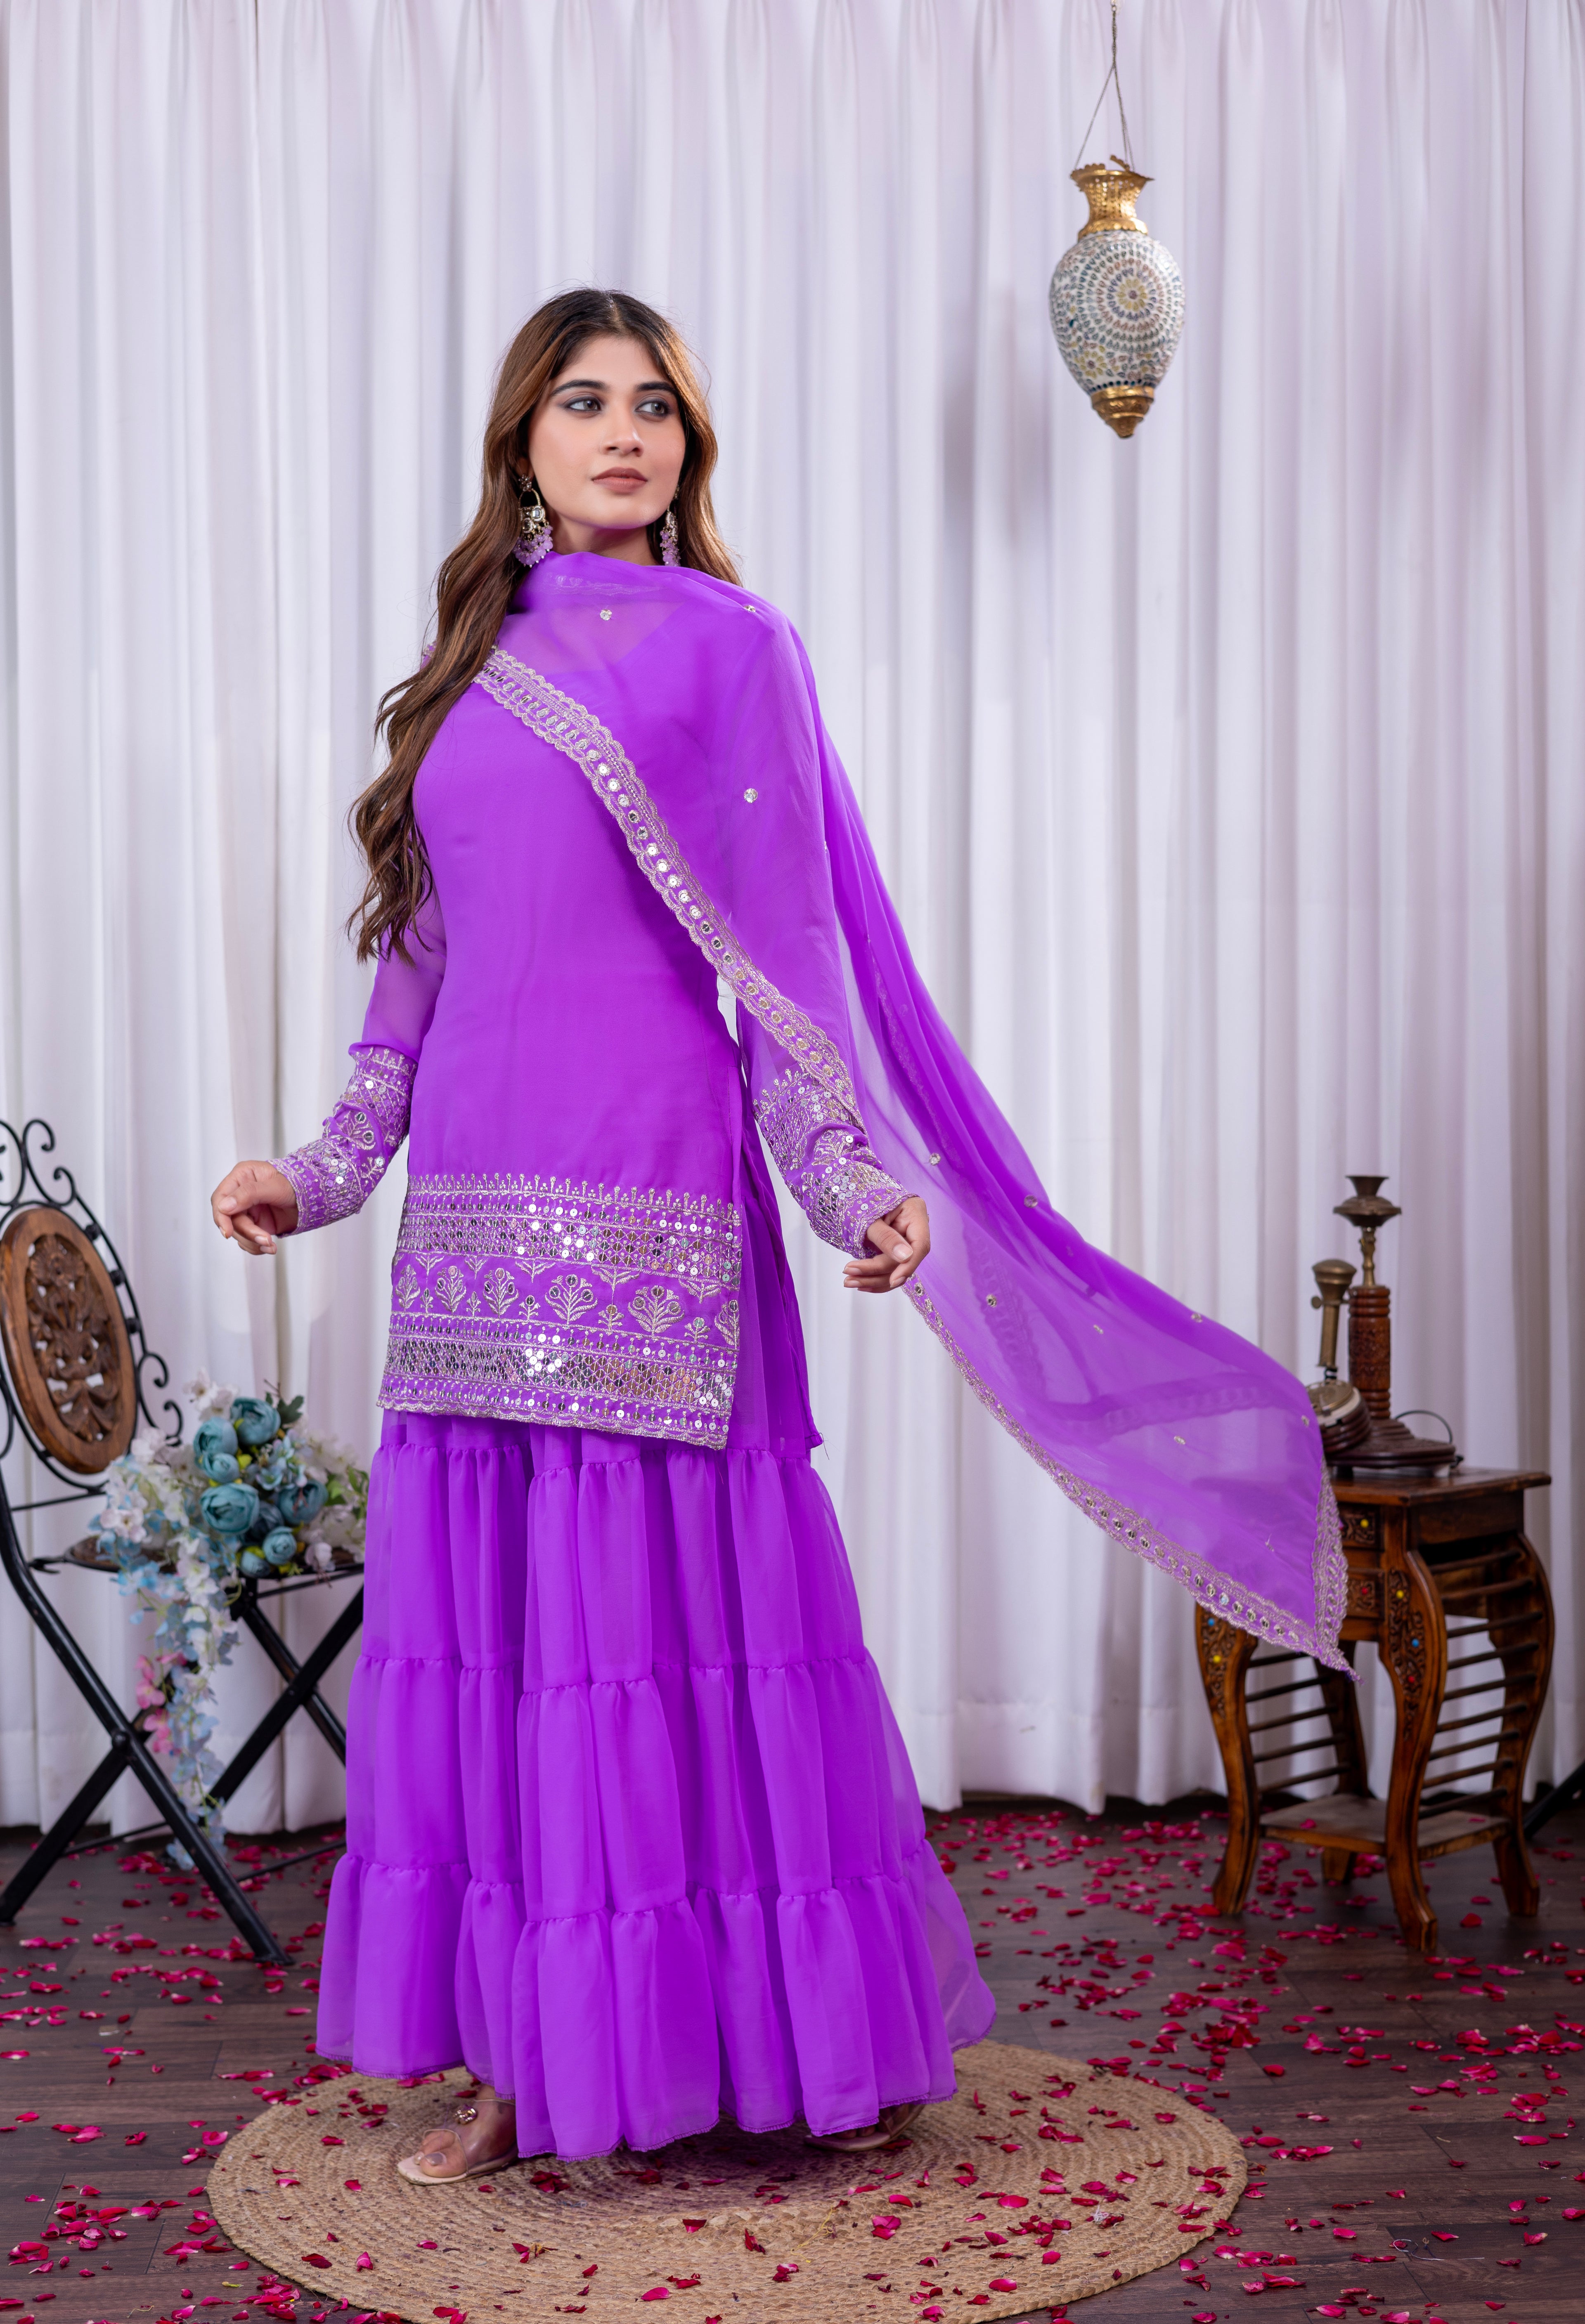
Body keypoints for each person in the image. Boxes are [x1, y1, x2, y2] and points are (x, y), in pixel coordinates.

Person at [211, 288, 1342, 2182]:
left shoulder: (737, 652)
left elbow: (789, 965)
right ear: (522, 443)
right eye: (585, 403)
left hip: (658, 1225)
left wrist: (855, 1187)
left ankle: (783, 2051)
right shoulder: (463, 673)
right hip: (471, 1256)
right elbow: (411, 995)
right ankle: (528, 2064)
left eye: (655, 406)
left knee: (669, 1663)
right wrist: (311, 1173)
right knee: (509, 1675)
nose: (626, 434)